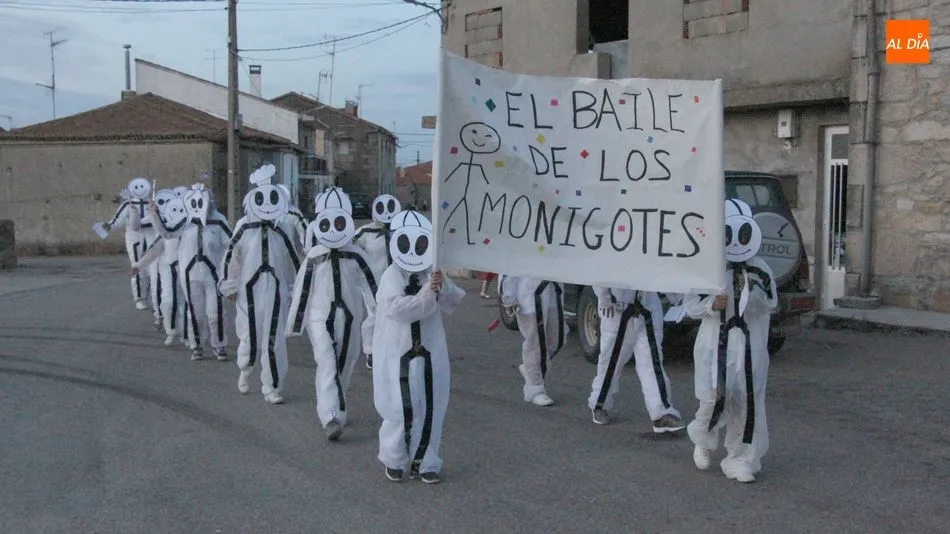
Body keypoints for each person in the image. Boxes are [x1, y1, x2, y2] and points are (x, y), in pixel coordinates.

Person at [681, 198, 777, 483]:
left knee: (746, 401)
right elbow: (690, 303)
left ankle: (740, 459)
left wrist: (753, 296)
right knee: (713, 397)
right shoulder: (708, 267)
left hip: (749, 346)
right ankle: (703, 438)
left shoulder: (760, 268)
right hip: (715, 344)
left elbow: (770, 302)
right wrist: (712, 303)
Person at [372, 210, 465, 484]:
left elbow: (451, 303)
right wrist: (428, 293)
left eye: (422, 244)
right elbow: (398, 309)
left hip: (430, 348)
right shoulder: (391, 276)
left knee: (431, 404)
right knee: (399, 406)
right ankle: (395, 457)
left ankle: (426, 460)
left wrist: (441, 285)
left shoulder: (430, 272)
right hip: (397, 349)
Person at [286, 191, 377, 440]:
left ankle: (337, 400)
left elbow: (372, 285)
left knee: (345, 362)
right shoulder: (315, 256)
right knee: (327, 359)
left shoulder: (357, 254)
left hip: (350, 316)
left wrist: (381, 315)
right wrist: (296, 323)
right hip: (320, 316)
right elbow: (303, 289)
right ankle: (330, 416)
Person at [219, 164, 301, 405]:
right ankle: (245, 369)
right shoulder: (244, 225)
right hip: (249, 290)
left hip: (275, 290)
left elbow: (292, 257)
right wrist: (230, 286)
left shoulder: (282, 226)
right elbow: (232, 255)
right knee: (249, 335)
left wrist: (298, 287)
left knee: (274, 339)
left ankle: (272, 386)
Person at [151, 183, 233, 361]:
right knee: (195, 313)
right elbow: (168, 232)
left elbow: (232, 243)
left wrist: (233, 269)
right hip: (190, 274)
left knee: (215, 312)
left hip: (213, 275)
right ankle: (197, 345)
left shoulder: (219, 220)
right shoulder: (186, 220)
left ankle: (219, 344)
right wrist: (155, 215)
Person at [587, 287, 686, 434]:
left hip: (648, 306)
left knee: (651, 361)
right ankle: (600, 403)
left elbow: (662, 268)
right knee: (611, 362)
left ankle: (661, 413)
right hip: (617, 307)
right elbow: (601, 267)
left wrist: (680, 297)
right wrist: (604, 297)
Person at [498, 275, 567, 406]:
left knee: (557, 339)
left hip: (553, 291)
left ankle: (529, 367)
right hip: (528, 295)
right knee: (535, 344)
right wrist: (508, 297)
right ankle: (535, 389)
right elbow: (509, 264)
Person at [130, 192, 188, 346]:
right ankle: (171, 331)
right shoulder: (166, 229)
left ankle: (189, 336)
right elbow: (154, 250)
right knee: (168, 301)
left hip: (189, 271)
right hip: (169, 269)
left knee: (187, 304)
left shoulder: (192, 227)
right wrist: (138, 265)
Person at [354, 193, 402, 370]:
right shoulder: (365, 232)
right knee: (375, 315)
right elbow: (349, 247)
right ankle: (371, 350)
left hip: (397, 281)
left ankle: (392, 347)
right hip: (373, 282)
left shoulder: (401, 229)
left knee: (396, 314)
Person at [100, 177, 152, 310]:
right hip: (135, 239)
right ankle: (140, 298)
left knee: (153, 268)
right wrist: (108, 226)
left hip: (152, 238)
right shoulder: (128, 205)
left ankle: (155, 297)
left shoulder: (152, 202)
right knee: (138, 267)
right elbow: (117, 220)